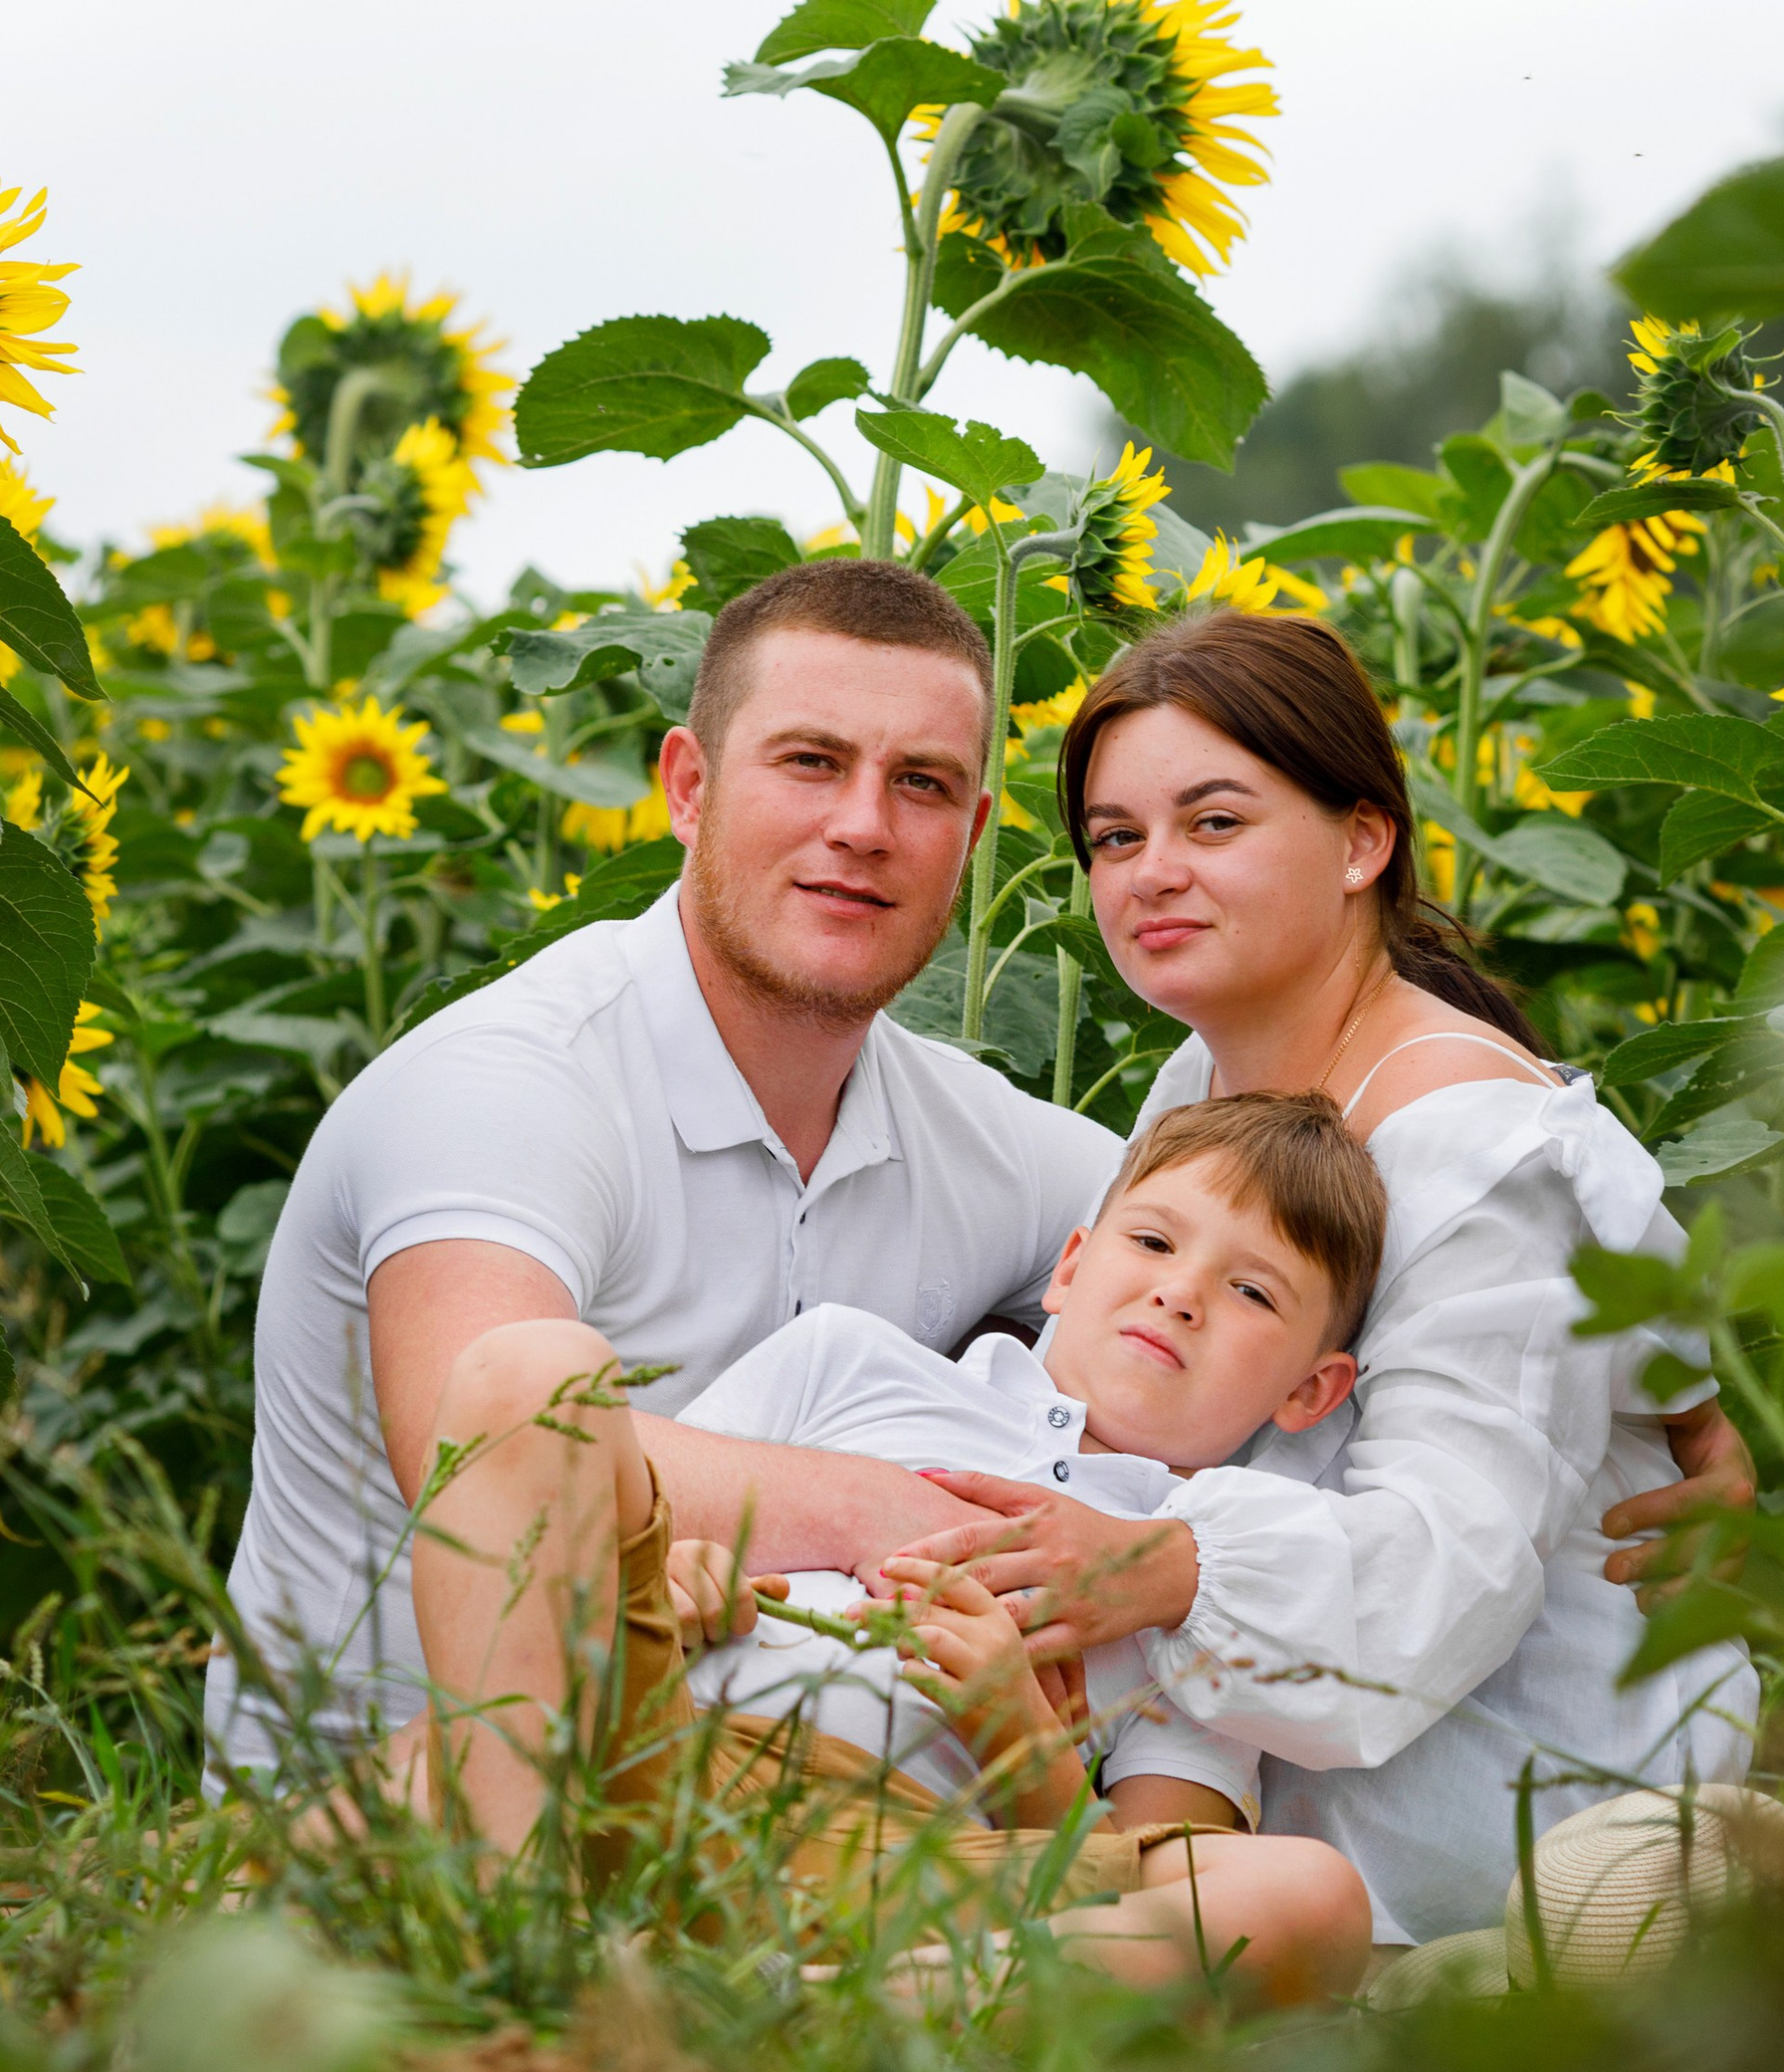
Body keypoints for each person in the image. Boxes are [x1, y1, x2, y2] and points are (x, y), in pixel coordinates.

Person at [884, 611, 1760, 1949]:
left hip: (1515, 1827)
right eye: (1116, 838)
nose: (1152, 874)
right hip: (1240, 1798)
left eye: (1214, 823)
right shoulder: (1212, 1074)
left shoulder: (1479, 1148)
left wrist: (1155, 1567)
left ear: (1363, 840)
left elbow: (1442, 1579)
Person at [207, 560, 1122, 1780]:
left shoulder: (971, 1134)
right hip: (396, 1810)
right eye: (810, 761)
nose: (864, 824)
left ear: (971, 830)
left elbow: (1274, 1253)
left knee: (1268, 1915)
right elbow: (482, 1449)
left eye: (923, 784)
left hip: (793, 1811)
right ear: (687, 788)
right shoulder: (510, 1083)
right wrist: (880, 1506)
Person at [352, 1091, 1387, 2004]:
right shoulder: (851, 1366)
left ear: (1310, 1391)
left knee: (1303, 1900)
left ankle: (804, 2011)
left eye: (1253, 1292)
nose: (1181, 1292)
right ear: (1071, 1265)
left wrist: (1016, 1732)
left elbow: (1128, 1861)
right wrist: (680, 1581)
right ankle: (513, 1929)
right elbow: (619, 1536)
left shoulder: (1204, 1574)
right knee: (532, 1367)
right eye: (1153, 1243)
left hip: (901, 1856)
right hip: (661, 1746)